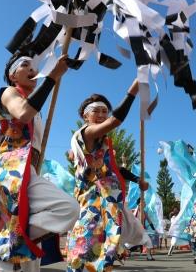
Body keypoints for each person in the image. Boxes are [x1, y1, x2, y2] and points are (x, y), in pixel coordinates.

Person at [0, 53, 79, 271]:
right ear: (12, 75)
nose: (32, 69)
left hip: (29, 171)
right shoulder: (8, 93)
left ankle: (11, 242)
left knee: (31, 264)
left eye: (34, 66)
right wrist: (52, 77)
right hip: (11, 172)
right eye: (24, 65)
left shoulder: (38, 110)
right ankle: (8, 243)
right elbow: (23, 113)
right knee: (69, 208)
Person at [67, 79, 139, 271]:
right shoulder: (88, 133)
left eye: (104, 111)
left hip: (105, 203)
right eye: (96, 111)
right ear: (85, 115)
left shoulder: (102, 144)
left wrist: (138, 180)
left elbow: (115, 169)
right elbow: (115, 121)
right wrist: (133, 90)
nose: (101, 115)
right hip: (92, 202)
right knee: (85, 250)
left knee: (102, 252)